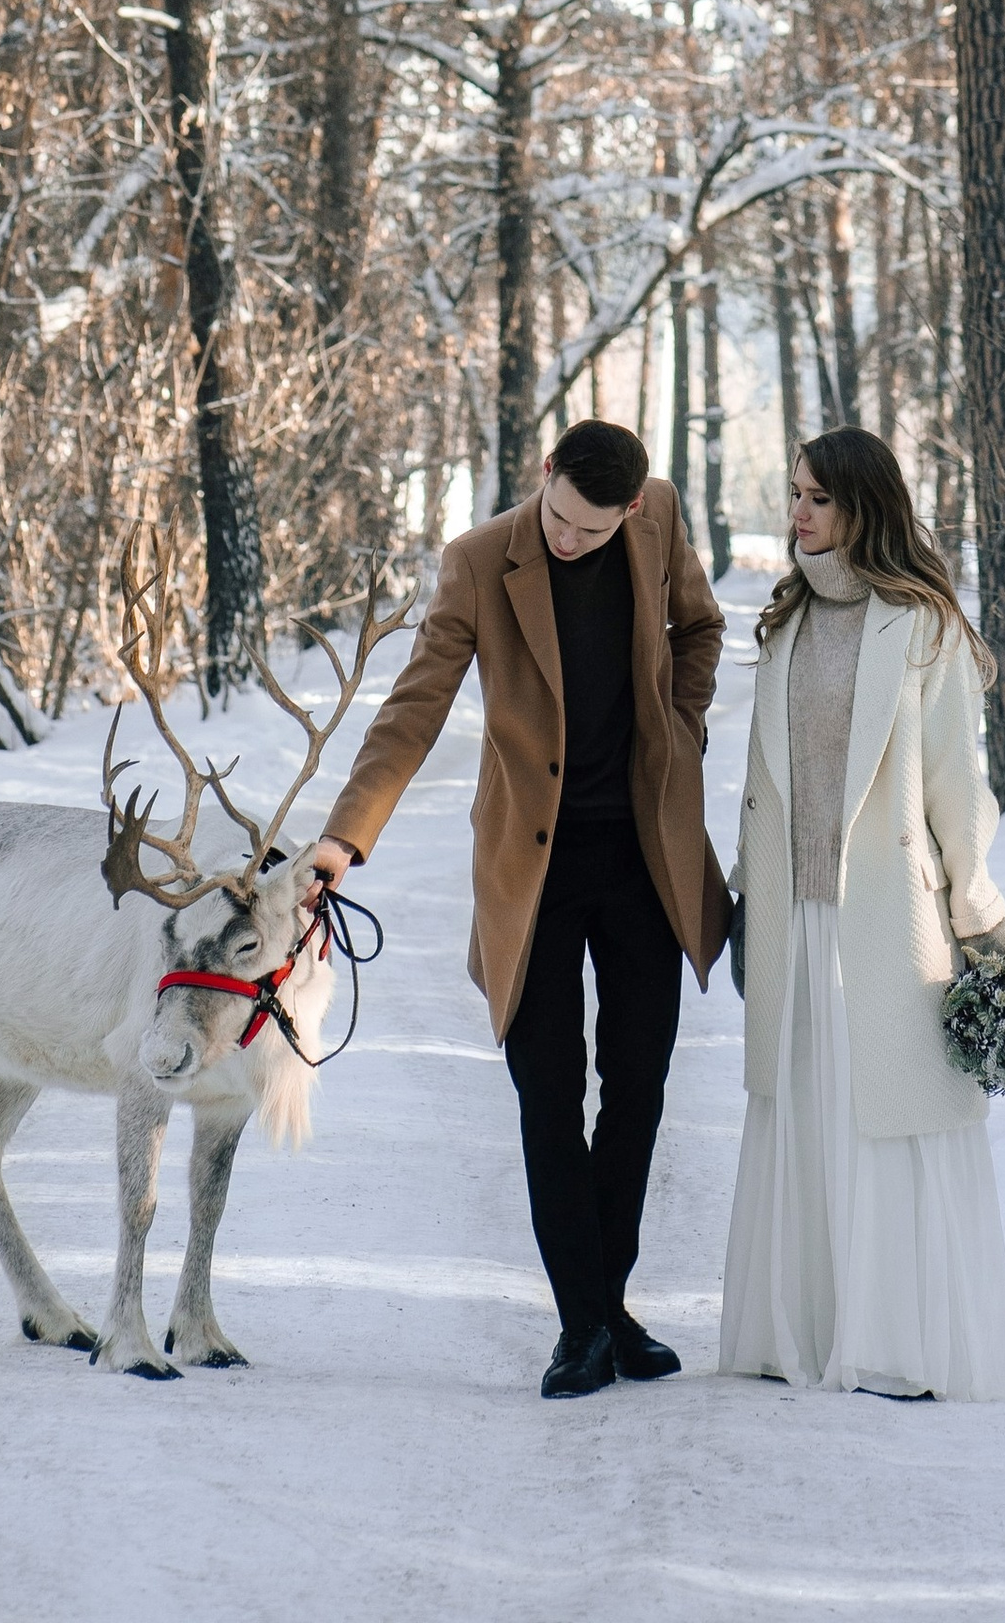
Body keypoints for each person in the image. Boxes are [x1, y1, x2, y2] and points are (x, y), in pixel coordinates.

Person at [311, 419, 730, 1399]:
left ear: (632, 508)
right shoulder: (475, 563)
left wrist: (679, 728)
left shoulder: (659, 518)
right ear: (542, 477)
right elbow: (413, 705)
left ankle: (604, 1303)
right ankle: (584, 1324)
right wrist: (345, 835)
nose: (568, 541)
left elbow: (699, 629)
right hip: (530, 872)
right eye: (557, 519)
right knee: (549, 1096)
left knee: (638, 1089)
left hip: (643, 861)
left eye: (591, 530)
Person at [719, 424, 1005, 1405]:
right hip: (791, 919)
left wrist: (982, 921)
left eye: (815, 497)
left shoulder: (922, 626)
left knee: (881, 1122)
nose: (798, 513)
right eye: (796, 495)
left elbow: (954, 788)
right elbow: (763, 789)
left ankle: (894, 1342)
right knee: (801, 1114)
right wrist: (739, 901)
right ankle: (797, 1331)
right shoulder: (784, 623)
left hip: (890, 922)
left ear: (862, 509)